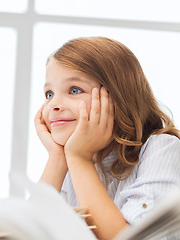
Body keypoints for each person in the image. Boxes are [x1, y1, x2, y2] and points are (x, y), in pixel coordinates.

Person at [34, 36, 180, 240]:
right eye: (49, 94)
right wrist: (57, 158)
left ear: (118, 98)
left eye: (74, 90)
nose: (53, 105)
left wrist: (79, 159)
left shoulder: (162, 148)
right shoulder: (72, 164)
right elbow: (24, 233)